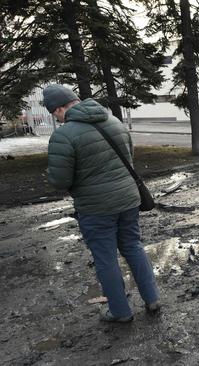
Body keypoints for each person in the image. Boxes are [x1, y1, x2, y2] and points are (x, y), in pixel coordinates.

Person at [44, 85, 160, 323]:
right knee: (133, 247)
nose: (56, 118)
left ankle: (121, 312)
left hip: (96, 208)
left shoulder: (63, 135)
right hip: (128, 199)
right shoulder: (115, 122)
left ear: (59, 108)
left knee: (106, 258)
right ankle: (152, 299)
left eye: (54, 113)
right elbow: (129, 157)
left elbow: (60, 180)